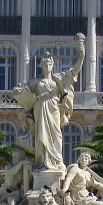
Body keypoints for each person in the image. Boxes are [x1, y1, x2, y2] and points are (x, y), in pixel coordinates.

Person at [13, 34, 86, 170]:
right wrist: (17, 91)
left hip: (54, 108)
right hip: (40, 108)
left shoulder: (59, 79)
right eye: (45, 63)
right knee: (41, 137)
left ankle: (56, 162)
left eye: (49, 63)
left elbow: (75, 70)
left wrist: (81, 53)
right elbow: (23, 91)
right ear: (41, 65)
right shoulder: (35, 82)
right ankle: (41, 163)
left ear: (53, 65)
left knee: (56, 136)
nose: (47, 65)